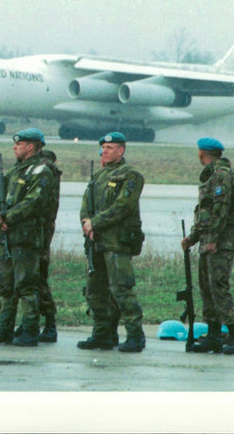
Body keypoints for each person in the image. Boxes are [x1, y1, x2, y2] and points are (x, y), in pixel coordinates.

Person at [0, 128, 56, 347]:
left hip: (26, 237)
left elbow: (34, 202)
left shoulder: (41, 172)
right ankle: (5, 329)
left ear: (30, 146)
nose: (14, 148)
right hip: (8, 236)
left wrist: (6, 217)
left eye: (19, 144)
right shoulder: (15, 171)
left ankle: (30, 329)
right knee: (5, 284)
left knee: (26, 285)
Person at [79, 132, 146, 353]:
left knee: (121, 290)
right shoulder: (98, 177)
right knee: (95, 290)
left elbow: (123, 206)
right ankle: (102, 334)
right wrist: (86, 222)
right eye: (102, 148)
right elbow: (86, 206)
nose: (103, 152)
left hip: (117, 242)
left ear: (121, 151)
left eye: (109, 148)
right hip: (97, 242)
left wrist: (95, 223)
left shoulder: (131, 176)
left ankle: (135, 336)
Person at [181, 137, 234, 355]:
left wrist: (212, 240)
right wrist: (192, 239)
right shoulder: (212, 175)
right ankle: (214, 335)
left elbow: (220, 210)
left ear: (202, 154)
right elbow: (206, 213)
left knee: (218, 287)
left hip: (221, 242)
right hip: (209, 241)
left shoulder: (221, 176)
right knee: (207, 288)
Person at [11, 147, 62, 342]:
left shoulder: (46, 173)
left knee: (37, 277)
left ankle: (49, 322)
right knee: (29, 278)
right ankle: (30, 322)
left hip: (39, 231)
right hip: (32, 230)